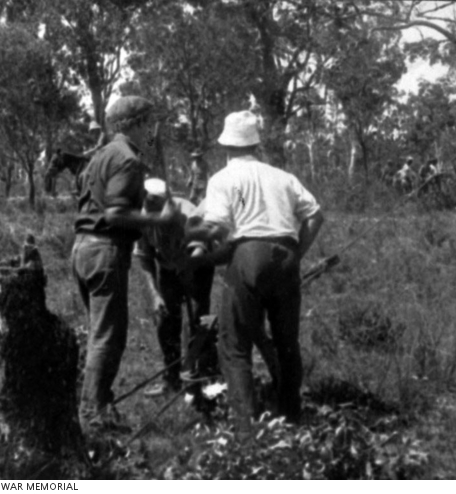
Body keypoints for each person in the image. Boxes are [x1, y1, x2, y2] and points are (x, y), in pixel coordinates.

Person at [185, 110, 324, 437]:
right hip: (286, 255)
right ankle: (291, 418)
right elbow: (316, 216)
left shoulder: (222, 179)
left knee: (234, 346)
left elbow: (217, 225)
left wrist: (190, 236)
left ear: (226, 146)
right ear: (255, 145)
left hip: (247, 255)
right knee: (287, 344)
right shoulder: (283, 177)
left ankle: (246, 432)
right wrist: (297, 255)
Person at [71, 95, 178, 432]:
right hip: (106, 250)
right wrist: (157, 220)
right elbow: (115, 212)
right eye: (148, 123)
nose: (151, 130)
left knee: (98, 335)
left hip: (82, 250)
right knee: (108, 338)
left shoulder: (100, 154)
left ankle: (97, 403)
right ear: (134, 124)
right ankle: (93, 416)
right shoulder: (128, 159)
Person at [134, 177, 215, 396]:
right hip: (168, 268)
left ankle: (201, 376)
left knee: (198, 320)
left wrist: (189, 265)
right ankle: (171, 378)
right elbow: (145, 258)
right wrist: (155, 296)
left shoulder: (188, 213)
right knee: (165, 320)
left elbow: (200, 248)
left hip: (198, 265)